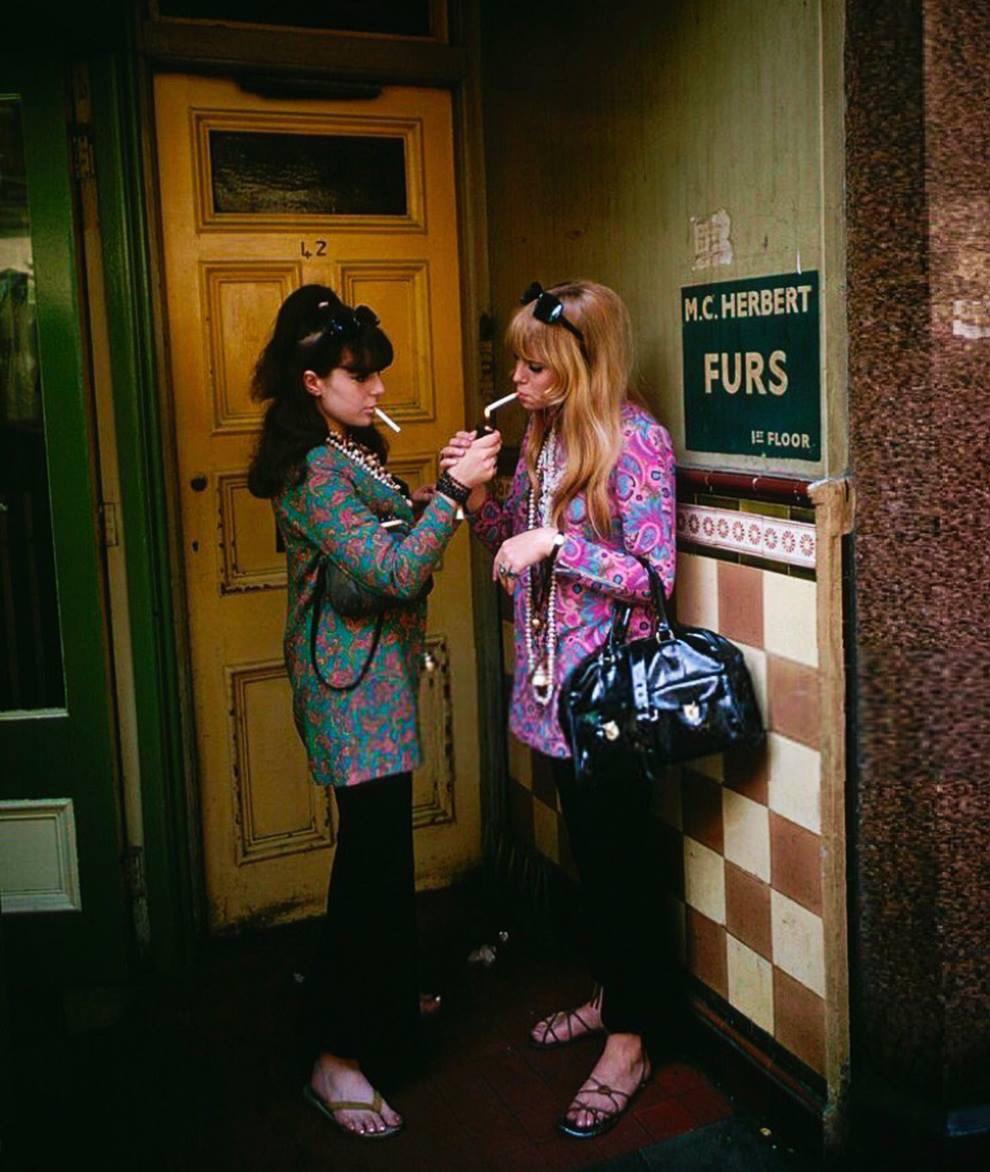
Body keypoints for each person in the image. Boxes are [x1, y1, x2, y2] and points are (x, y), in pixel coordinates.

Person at [249, 284, 500, 1140]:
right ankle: (334, 1054)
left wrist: (439, 484)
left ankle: (383, 1003)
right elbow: (393, 572)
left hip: (377, 678)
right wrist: (455, 499)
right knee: (369, 869)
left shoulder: (345, 446)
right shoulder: (311, 467)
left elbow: (392, 537)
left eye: (377, 376)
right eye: (361, 378)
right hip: (348, 685)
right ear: (312, 380)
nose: (379, 391)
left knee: (382, 857)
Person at [442, 279, 676, 1139]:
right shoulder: (541, 435)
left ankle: (631, 1043)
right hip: (554, 692)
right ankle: (614, 996)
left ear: (580, 363)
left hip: (608, 695)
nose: (519, 376)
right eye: (518, 362)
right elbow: (503, 530)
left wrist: (559, 543)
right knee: (592, 853)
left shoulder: (636, 440)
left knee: (620, 864)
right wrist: (473, 490)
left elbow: (655, 578)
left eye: (535, 364)